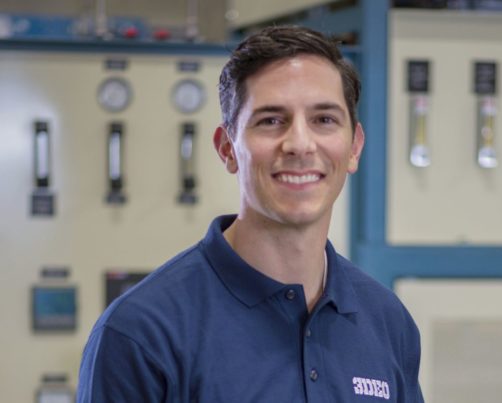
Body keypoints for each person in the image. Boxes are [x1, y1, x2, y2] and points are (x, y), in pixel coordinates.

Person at [77, 25, 424, 402]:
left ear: (354, 147)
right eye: (271, 120)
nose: (300, 144)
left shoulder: (387, 321)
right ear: (227, 148)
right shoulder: (142, 332)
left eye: (324, 119)